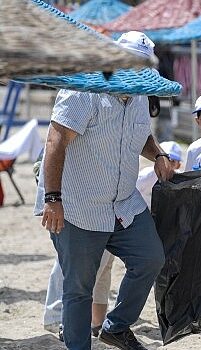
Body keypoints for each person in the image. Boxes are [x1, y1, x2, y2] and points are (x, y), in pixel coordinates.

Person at [35, 31, 170, 350]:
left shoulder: (140, 95)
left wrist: (159, 154)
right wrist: (53, 199)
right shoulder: (83, 91)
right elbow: (55, 142)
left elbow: (141, 136)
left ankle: (116, 327)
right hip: (78, 207)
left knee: (151, 259)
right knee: (79, 288)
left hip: (124, 205)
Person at [137, 141, 183, 208]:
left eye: (172, 161)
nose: (167, 164)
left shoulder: (181, 180)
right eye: (164, 160)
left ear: (178, 165)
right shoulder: (145, 176)